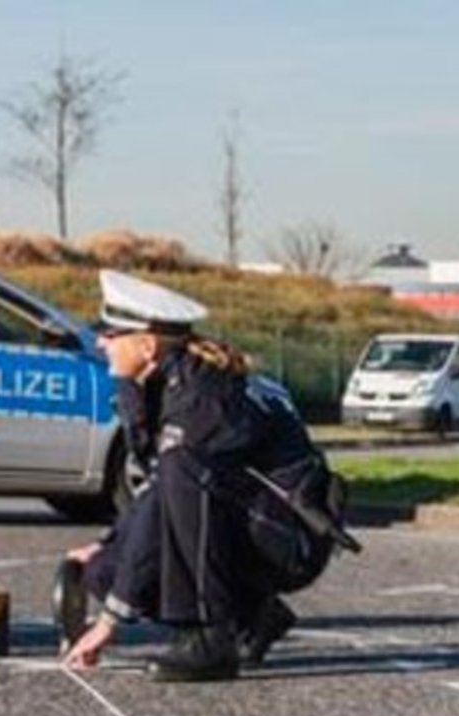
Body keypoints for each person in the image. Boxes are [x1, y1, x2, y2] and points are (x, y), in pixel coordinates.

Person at [61, 270, 344, 682]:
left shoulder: (203, 397)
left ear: (147, 345)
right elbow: (155, 491)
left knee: (182, 472)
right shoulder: (168, 382)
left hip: (290, 539)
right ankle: (253, 615)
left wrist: (107, 624)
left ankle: (209, 636)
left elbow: (168, 495)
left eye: (112, 334)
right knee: (104, 570)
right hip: (254, 526)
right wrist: (106, 545)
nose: (101, 341)